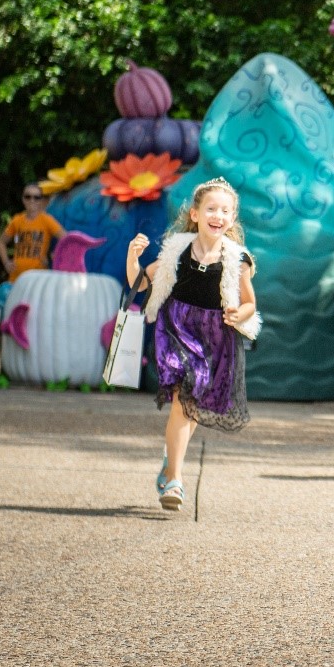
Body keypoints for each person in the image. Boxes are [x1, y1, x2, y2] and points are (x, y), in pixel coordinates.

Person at [128, 177, 259, 512]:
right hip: (177, 327)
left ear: (232, 219)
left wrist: (236, 313)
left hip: (215, 335)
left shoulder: (237, 258)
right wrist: (133, 258)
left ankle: (170, 461)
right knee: (180, 400)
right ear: (196, 214)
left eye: (226, 211)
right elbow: (140, 283)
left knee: (192, 406)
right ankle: (175, 480)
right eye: (211, 208)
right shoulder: (177, 250)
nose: (218, 215)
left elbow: (250, 303)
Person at [0, 183, 65, 283]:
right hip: (16, 278)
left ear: (41, 200)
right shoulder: (16, 220)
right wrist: (6, 263)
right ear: (23, 199)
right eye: (28, 196)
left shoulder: (47, 220)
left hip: (38, 279)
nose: (32, 200)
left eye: (36, 197)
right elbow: (1, 242)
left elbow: (66, 238)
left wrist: (56, 255)